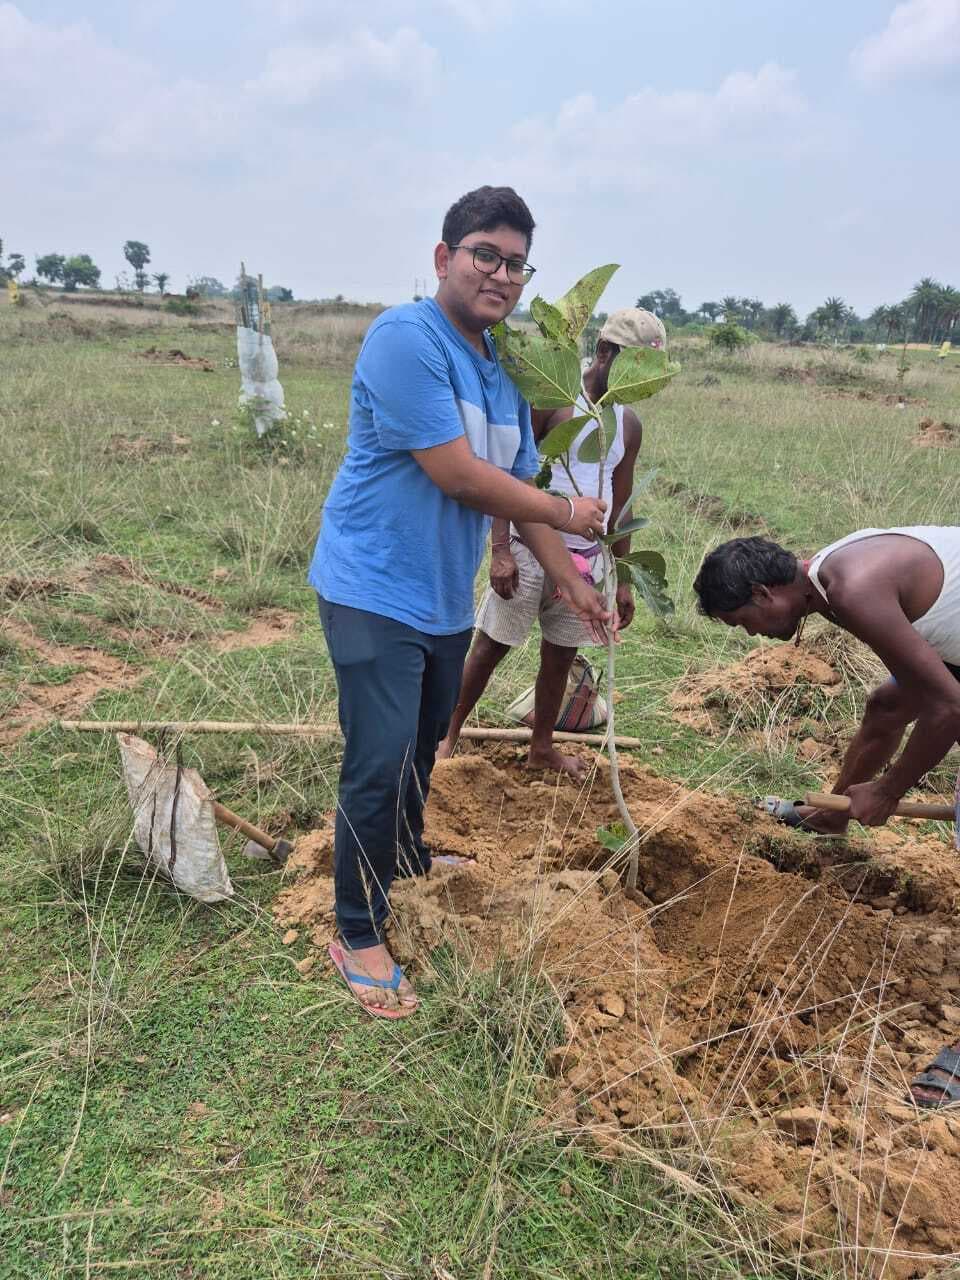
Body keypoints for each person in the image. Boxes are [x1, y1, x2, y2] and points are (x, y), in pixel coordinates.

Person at [308, 186, 612, 1018]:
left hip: (441, 597)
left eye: (517, 264)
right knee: (377, 760)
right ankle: (357, 929)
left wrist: (574, 581)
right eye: (486, 255)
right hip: (372, 586)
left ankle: (405, 862)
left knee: (416, 750)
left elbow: (513, 485)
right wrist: (566, 511)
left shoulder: (499, 371)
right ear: (444, 258)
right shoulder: (406, 339)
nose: (501, 275)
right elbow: (458, 475)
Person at [693, 527, 960, 1108]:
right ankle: (830, 818)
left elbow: (948, 705)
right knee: (886, 705)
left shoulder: (854, 590)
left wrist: (888, 790)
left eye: (743, 622)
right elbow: (921, 685)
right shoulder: (824, 584)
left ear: (764, 594)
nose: (752, 636)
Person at [438, 309, 664, 780]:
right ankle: (446, 736)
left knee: (560, 657)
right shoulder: (554, 401)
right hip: (529, 548)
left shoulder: (627, 424)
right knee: (491, 646)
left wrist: (622, 579)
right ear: (604, 352)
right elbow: (509, 475)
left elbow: (620, 506)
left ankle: (542, 748)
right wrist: (501, 549)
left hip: (587, 560)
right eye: (633, 365)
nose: (639, 381)